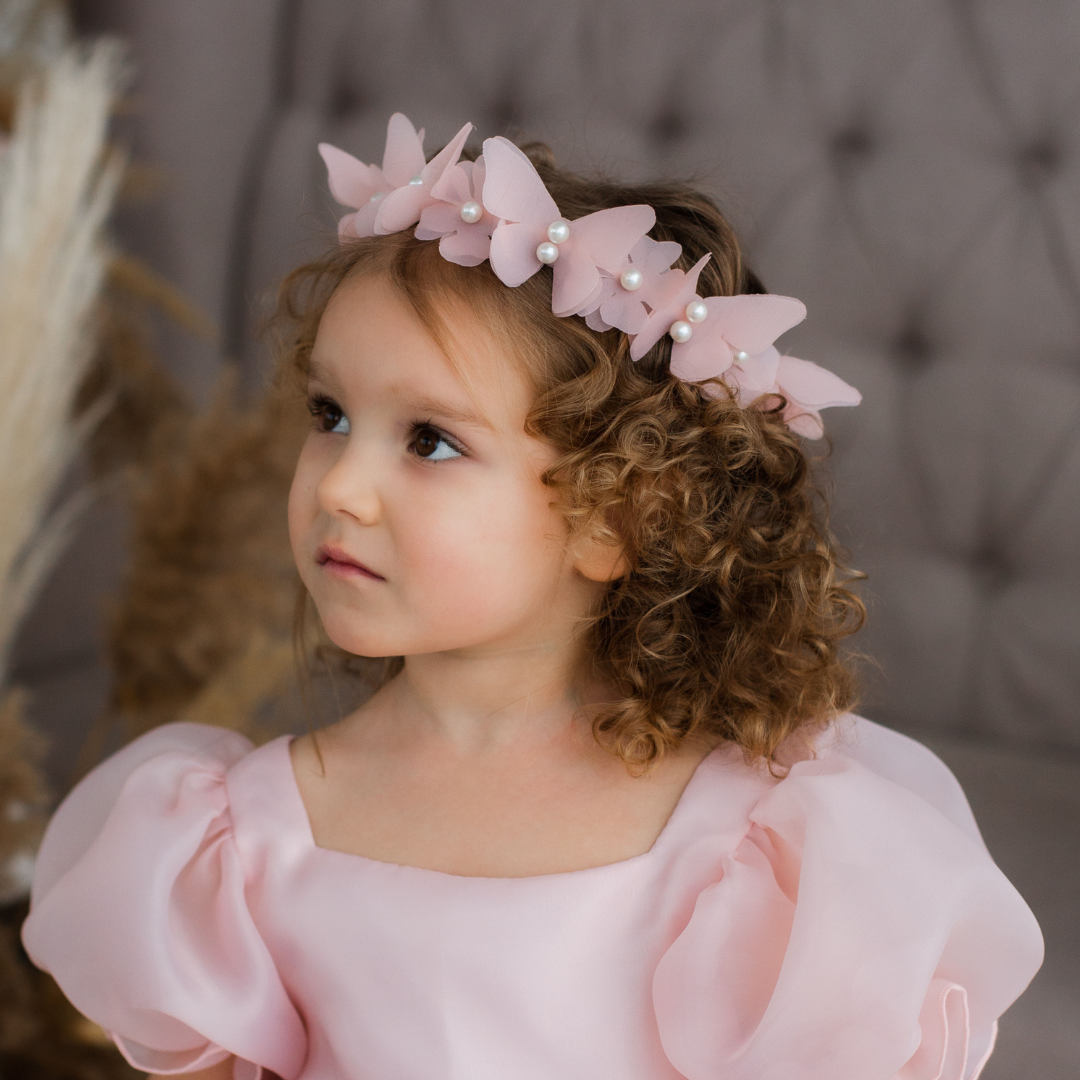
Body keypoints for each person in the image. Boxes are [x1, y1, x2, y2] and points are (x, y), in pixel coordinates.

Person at [22, 113, 1042, 1080]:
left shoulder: (765, 848)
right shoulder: (239, 844)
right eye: (330, 413)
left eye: (430, 439)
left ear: (618, 517)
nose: (337, 483)